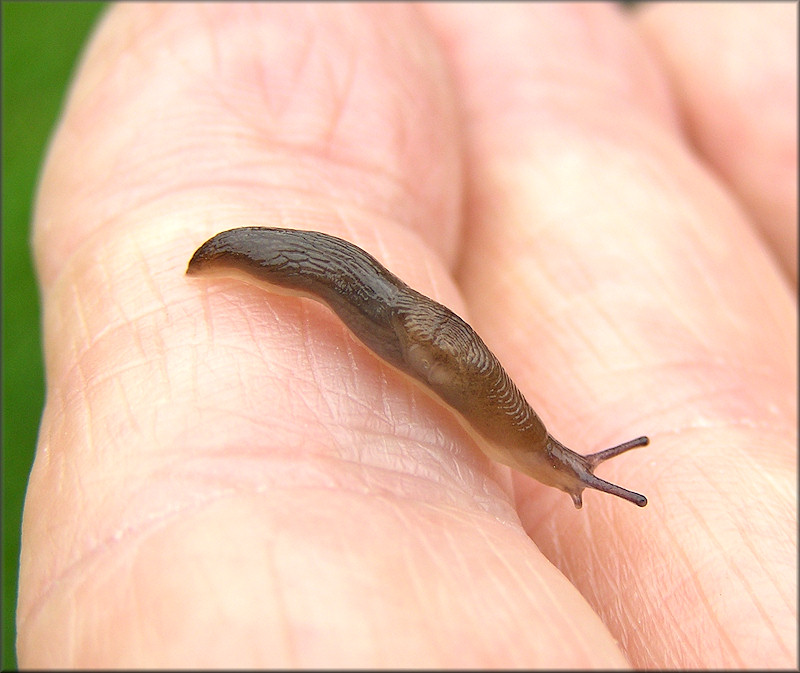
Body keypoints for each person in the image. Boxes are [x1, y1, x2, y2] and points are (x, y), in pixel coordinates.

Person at [17, 3, 796, 667]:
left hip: (411, 321)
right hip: (376, 298)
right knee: (348, 281)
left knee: (418, 330)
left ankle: (550, 451)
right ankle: (245, 258)